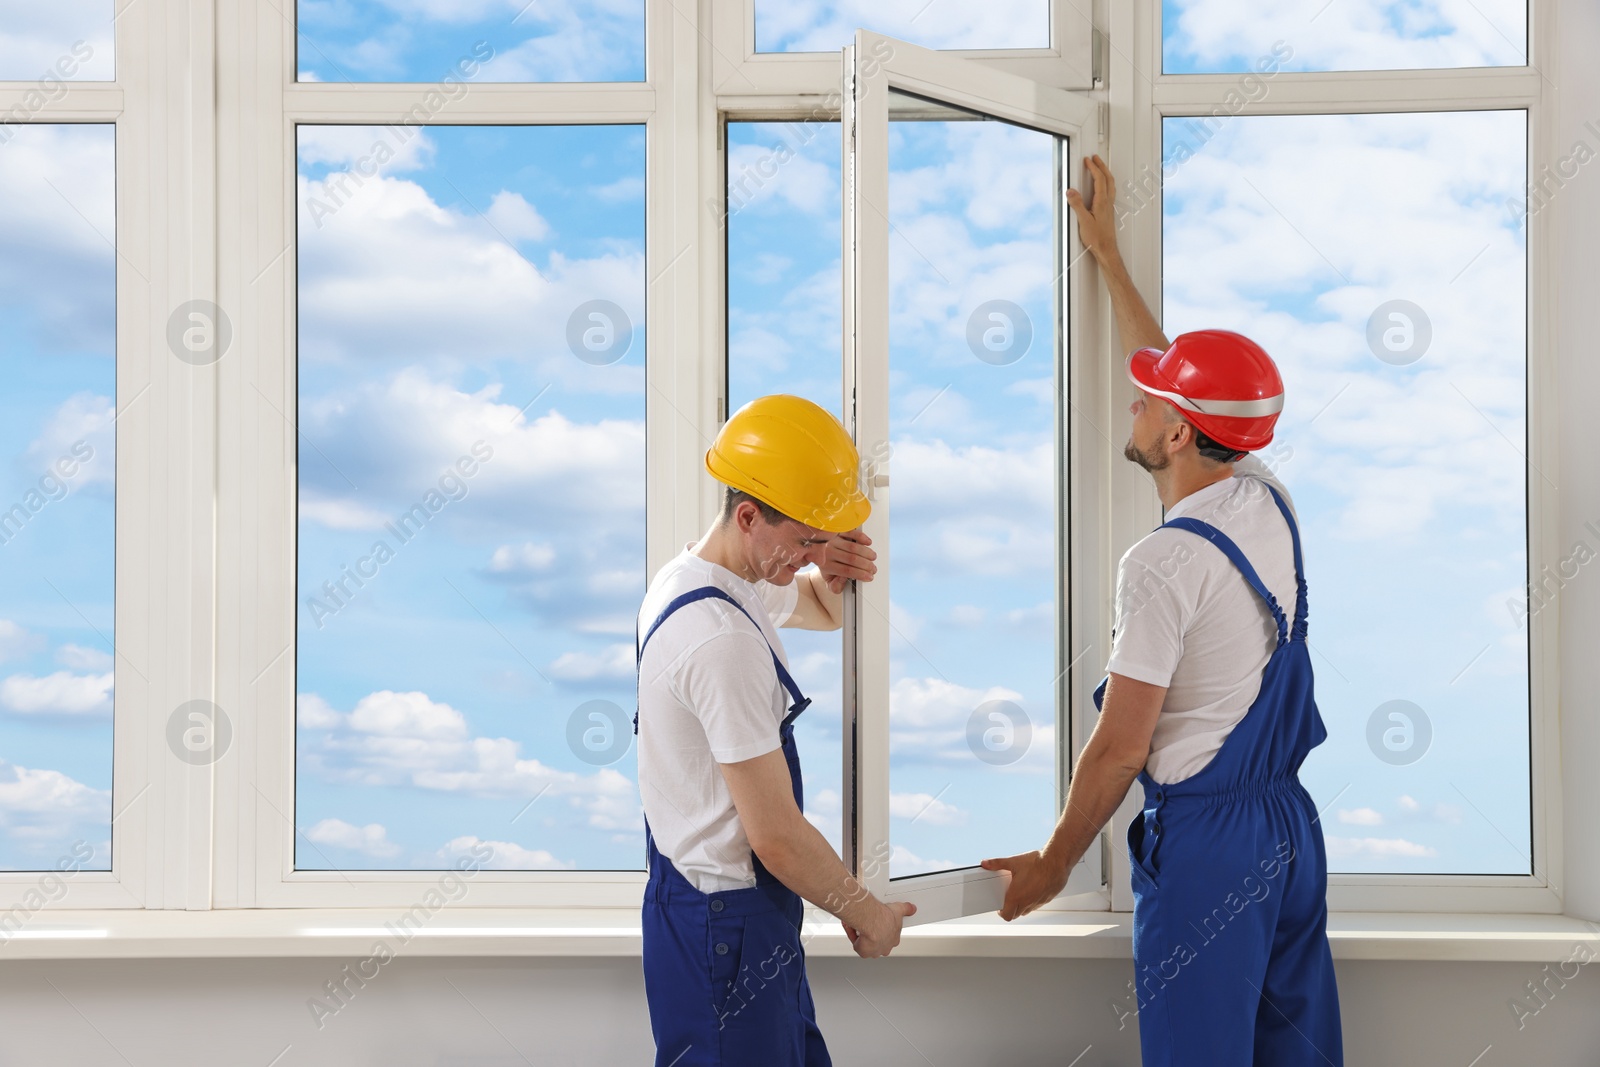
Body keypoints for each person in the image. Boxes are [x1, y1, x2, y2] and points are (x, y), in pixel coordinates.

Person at [981, 155, 1344, 1066]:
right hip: (1290, 834)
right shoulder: (1267, 498)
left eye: (1149, 399)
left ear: (1177, 431)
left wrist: (1057, 859)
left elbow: (1121, 746)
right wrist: (1106, 255)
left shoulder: (1162, 562)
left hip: (1213, 850)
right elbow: (1192, 382)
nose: (1133, 401)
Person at [634, 394, 917, 1067]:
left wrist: (835, 568)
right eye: (804, 538)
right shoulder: (718, 638)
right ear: (748, 515)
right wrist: (864, 910)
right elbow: (777, 836)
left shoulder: (707, 579)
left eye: (821, 537)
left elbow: (820, 604)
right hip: (726, 926)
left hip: (712, 914)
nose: (812, 554)